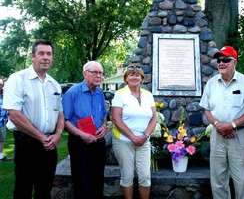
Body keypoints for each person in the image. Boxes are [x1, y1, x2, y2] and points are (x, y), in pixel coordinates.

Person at [3, 39, 65, 199]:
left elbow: (60, 114)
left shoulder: (54, 84)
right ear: (32, 56)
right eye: (41, 53)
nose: (46, 57)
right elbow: (15, 115)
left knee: (45, 188)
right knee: (23, 188)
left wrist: (58, 135)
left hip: (50, 144)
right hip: (27, 143)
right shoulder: (17, 79)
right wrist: (41, 137)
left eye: (49, 54)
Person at [199, 46, 244, 199]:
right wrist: (218, 125)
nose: (221, 63)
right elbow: (207, 109)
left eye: (226, 60)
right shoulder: (212, 83)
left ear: (235, 62)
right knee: (218, 179)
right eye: (219, 60)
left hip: (239, 135)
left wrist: (231, 125)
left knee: (242, 179)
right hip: (217, 135)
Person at [62, 61, 108, 199]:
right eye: (95, 72)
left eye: (100, 73)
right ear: (85, 73)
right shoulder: (72, 93)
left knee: (98, 179)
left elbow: (104, 115)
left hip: (98, 141)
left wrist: (104, 126)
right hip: (79, 143)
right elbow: (64, 121)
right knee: (82, 181)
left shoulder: (99, 93)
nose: (99, 76)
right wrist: (82, 135)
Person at [111, 64, 157, 199]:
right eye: (131, 75)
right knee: (127, 175)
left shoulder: (148, 95)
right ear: (126, 78)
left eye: (137, 75)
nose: (134, 77)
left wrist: (145, 136)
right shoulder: (120, 94)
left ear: (142, 78)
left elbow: (154, 118)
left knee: (145, 176)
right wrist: (133, 137)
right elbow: (116, 119)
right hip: (123, 141)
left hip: (144, 141)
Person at [0, 79, 11, 162]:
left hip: (2, 122)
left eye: (1, 85)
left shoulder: (3, 96)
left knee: (2, 139)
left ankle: (1, 156)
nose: (1, 86)